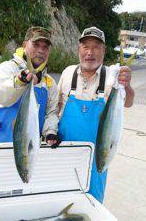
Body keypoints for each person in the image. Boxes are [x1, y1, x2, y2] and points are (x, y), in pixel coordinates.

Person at [57, 26, 134, 203]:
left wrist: (126, 85)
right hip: (63, 153)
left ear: (104, 51)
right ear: (79, 49)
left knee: (91, 202)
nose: (90, 52)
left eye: (96, 47)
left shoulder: (112, 76)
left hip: (97, 155)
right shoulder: (68, 73)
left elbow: (128, 102)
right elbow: (57, 107)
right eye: (85, 46)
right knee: (60, 198)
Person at [0, 26, 60, 147]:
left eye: (45, 47)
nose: (41, 50)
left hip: (29, 146)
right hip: (1, 144)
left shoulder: (49, 83)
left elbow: (51, 113)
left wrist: (50, 132)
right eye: (36, 45)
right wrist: (19, 81)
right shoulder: (8, 68)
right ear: (25, 45)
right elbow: (2, 96)